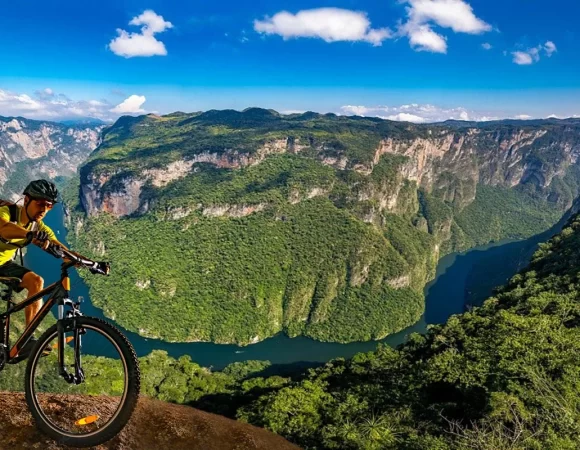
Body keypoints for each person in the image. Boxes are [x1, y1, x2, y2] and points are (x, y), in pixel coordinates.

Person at [0, 179, 67, 357]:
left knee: (37, 281)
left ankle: (27, 341)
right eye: (40, 204)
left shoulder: (38, 226)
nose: (44, 210)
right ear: (26, 200)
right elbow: (4, 229)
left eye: (49, 206)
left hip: (3, 265)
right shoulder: (7, 212)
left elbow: (61, 248)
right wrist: (30, 235)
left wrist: (90, 263)